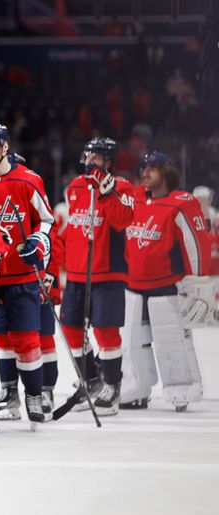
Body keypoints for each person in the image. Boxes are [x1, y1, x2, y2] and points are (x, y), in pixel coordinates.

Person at [0, 123, 55, 425]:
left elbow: (46, 220)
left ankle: (34, 394)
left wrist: (38, 241)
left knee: (26, 340)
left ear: (6, 147)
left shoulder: (28, 180)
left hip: (20, 276)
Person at [120, 151, 210, 411]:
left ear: (167, 172)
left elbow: (195, 244)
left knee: (172, 341)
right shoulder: (136, 199)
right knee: (133, 343)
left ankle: (180, 390)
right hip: (133, 286)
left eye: (152, 168)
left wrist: (197, 285)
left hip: (166, 287)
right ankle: (136, 389)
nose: (144, 173)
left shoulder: (181, 202)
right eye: (143, 168)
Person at [59, 137, 135, 415]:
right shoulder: (75, 187)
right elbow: (73, 228)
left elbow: (123, 220)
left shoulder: (123, 187)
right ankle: (90, 380)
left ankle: (112, 386)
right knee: (71, 330)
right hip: (78, 274)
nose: (91, 162)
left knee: (105, 331)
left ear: (109, 161)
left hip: (107, 272)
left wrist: (106, 192)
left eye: (98, 158)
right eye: (88, 156)